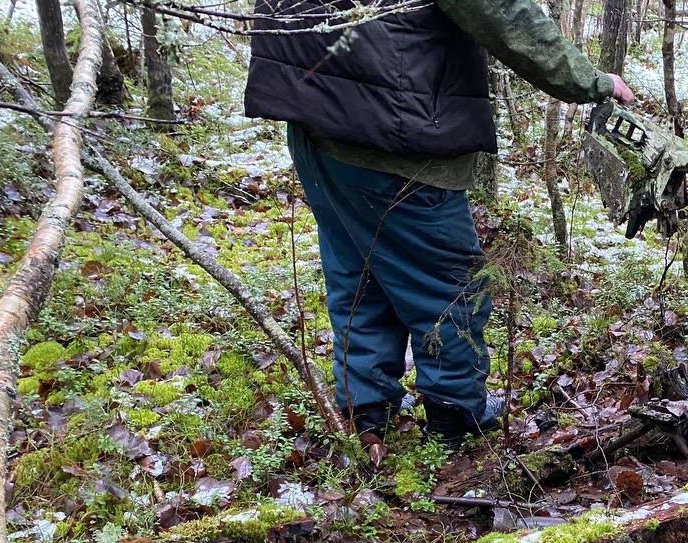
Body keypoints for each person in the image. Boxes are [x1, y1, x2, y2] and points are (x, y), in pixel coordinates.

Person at [244, 0, 635, 458]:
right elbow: (500, 12)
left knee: (360, 275)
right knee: (448, 288)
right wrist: (590, 80)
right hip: (393, 131)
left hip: (316, 120)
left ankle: (366, 416)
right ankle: (453, 419)